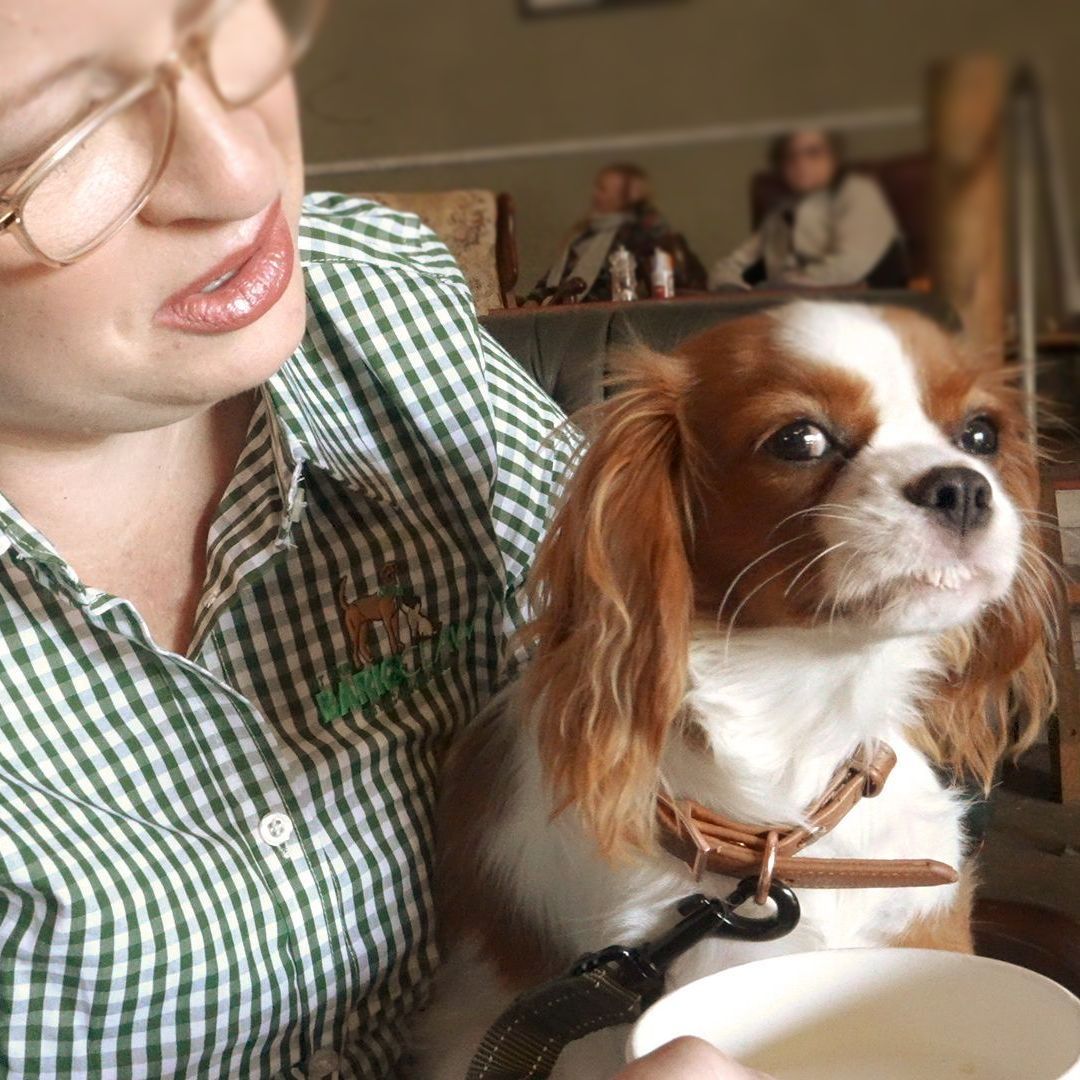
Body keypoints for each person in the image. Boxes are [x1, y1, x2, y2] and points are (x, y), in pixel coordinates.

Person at [0, 1, 770, 1077]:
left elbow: (661, 681)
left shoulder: (372, 301)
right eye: (60, 136)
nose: (238, 173)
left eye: (211, 33)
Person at [709, 128, 908, 290]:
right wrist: (731, 288)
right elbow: (731, 265)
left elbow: (849, 267)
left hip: (858, 307)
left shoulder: (857, 191)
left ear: (834, 157)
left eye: (813, 153)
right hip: (782, 308)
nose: (800, 163)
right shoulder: (780, 214)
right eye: (790, 157)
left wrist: (780, 287)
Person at [526, 162, 706, 304]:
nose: (595, 194)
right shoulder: (586, 233)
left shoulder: (635, 232)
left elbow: (659, 232)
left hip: (597, 314)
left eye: (602, 189)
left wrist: (640, 201)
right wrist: (534, 299)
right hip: (558, 309)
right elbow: (555, 276)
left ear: (626, 196)